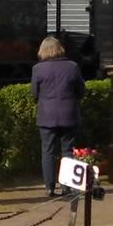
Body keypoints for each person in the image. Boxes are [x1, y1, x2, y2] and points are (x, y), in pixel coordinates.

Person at [31, 35, 85, 198]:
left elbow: (34, 94)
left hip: (46, 116)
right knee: (67, 151)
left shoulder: (38, 69)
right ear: (59, 48)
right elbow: (81, 91)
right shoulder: (72, 67)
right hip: (69, 114)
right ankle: (67, 187)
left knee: (47, 151)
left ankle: (49, 187)